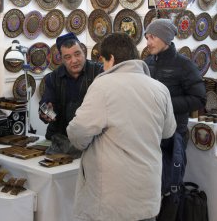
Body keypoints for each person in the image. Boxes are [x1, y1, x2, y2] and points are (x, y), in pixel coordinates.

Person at [67, 32, 176, 221]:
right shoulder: (159, 88)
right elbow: (168, 132)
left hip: (112, 198)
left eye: (103, 61)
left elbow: (78, 132)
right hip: (147, 191)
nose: (102, 67)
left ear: (111, 59)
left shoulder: (103, 85)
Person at [144, 19, 206, 220]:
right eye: (146, 37)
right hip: (149, 135)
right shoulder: (146, 64)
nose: (148, 42)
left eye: (152, 37)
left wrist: (166, 104)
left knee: (172, 187)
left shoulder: (184, 65)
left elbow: (199, 98)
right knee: (152, 187)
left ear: (166, 38)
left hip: (174, 137)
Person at [39, 32, 103, 140]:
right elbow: (46, 105)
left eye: (77, 54)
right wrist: (45, 113)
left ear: (83, 51)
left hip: (91, 139)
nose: (74, 60)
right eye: (67, 57)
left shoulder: (99, 72)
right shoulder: (52, 78)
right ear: (61, 59)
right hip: (59, 139)